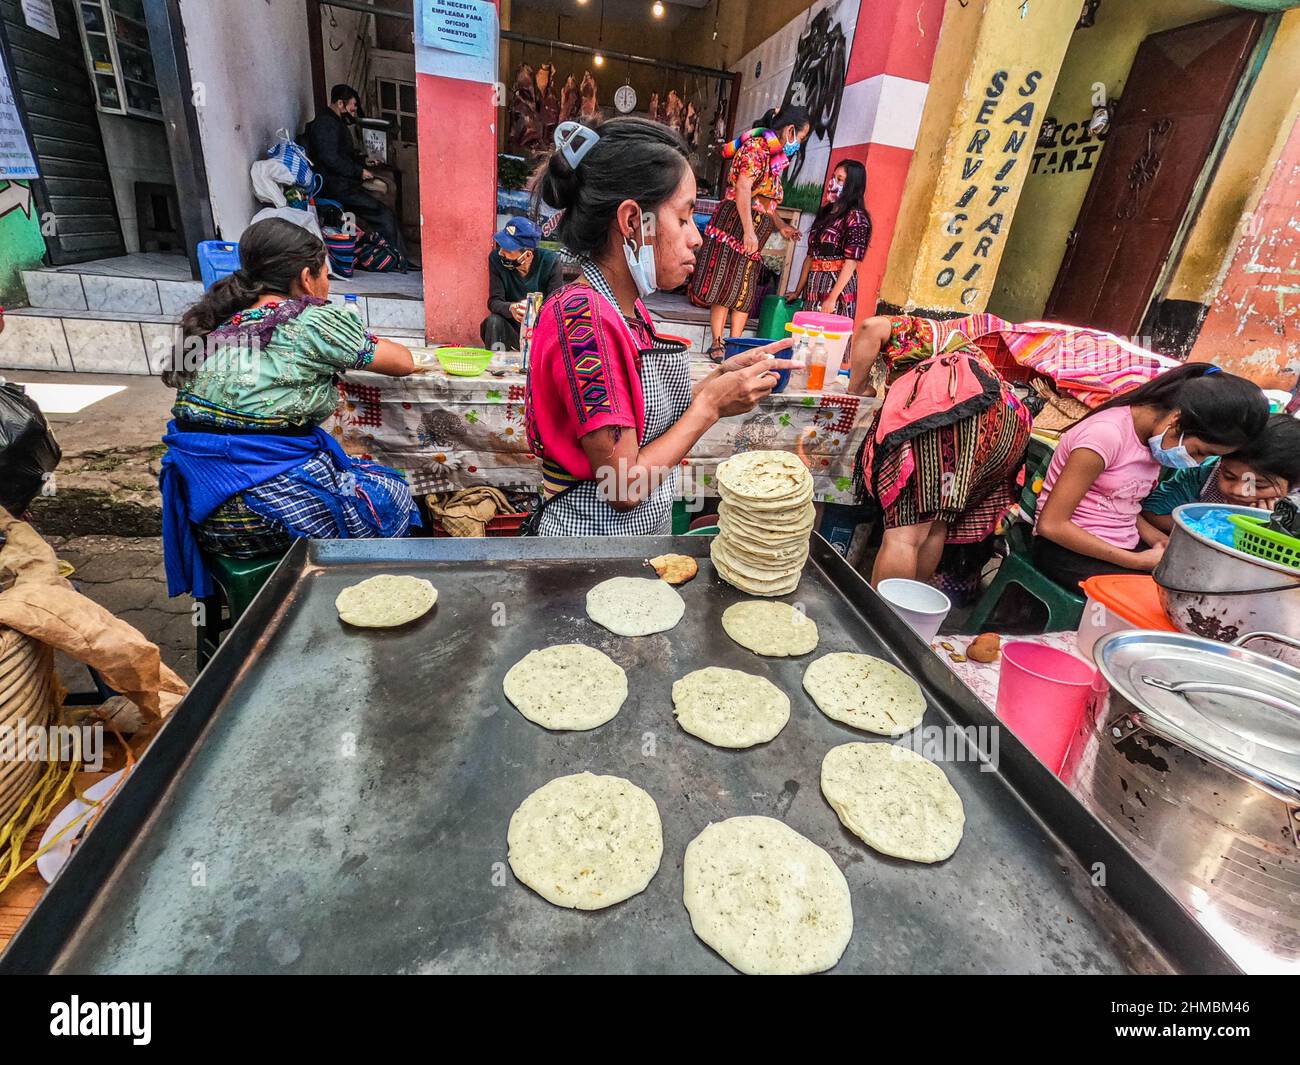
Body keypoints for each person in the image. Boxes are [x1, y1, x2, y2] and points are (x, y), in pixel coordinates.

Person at [525, 117, 794, 536]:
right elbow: (622, 485)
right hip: (586, 557)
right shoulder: (584, 320)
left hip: (628, 550)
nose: (697, 238)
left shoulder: (626, 310)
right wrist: (711, 407)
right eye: (684, 217)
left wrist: (723, 378)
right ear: (633, 222)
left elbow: (643, 421)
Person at [159, 218, 419, 599]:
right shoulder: (312, 319)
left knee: (358, 471)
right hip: (262, 516)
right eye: (326, 274)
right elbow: (403, 362)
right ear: (306, 278)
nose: (327, 284)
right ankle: (362, 600)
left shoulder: (218, 322)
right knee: (394, 490)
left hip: (204, 510)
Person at [1032, 364, 1269, 589]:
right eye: (1199, 452)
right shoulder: (1105, 436)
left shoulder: (1153, 442)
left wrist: (1158, 539)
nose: (1195, 463)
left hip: (1120, 545)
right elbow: (1051, 525)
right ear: (1176, 421)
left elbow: (1121, 505)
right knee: (1157, 599)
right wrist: (1135, 561)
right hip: (1064, 550)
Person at [849, 315, 1031, 585]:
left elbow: (869, 327)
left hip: (952, 412)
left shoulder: (927, 331)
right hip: (1006, 424)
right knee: (934, 525)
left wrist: (857, 387)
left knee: (904, 533)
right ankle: (906, 614)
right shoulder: (973, 355)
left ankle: (878, 619)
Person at [688, 106, 812, 361]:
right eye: (800, 139)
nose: (798, 145)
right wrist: (748, 231)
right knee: (724, 283)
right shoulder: (757, 147)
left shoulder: (775, 156)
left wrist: (780, 226)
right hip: (736, 223)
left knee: (743, 290)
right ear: (790, 130)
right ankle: (717, 342)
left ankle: (735, 345)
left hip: (754, 226)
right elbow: (743, 188)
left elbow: (766, 201)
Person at [1140, 412, 1300, 537]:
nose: (1238, 490)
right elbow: (1153, 512)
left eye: (1258, 485)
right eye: (1229, 476)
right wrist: (1211, 528)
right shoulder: (1202, 473)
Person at [302, 84, 408, 265]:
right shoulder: (326, 124)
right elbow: (331, 159)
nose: (355, 110)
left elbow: (343, 155)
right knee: (383, 212)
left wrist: (363, 162)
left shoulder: (334, 123)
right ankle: (395, 258)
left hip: (341, 183)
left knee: (385, 193)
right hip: (335, 186)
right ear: (340, 104)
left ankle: (392, 254)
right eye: (353, 106)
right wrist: (358, 171)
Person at [785, 160, 871, 319]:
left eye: (840, 180)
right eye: (833, 177)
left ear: (852, 186)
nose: (832, 183)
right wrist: (797, 291)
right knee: (807, 336)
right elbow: (810, 257)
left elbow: (851, 262)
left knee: (828, 338)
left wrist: (832, 298)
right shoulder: (825, 214)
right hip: (813, 287)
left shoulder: (856, 218)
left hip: (836, 289)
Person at [481, 216, 563, 350]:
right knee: (493, 322)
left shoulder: (551, 262)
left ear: (528, 255)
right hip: (511, 329)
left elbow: (556, 306)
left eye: (508, 250)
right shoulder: (496, 259)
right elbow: (494, 301)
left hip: (539, 331)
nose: (501, 253)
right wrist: (511, 308)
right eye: (501, 247)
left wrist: (534, 310)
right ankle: (496, 367)